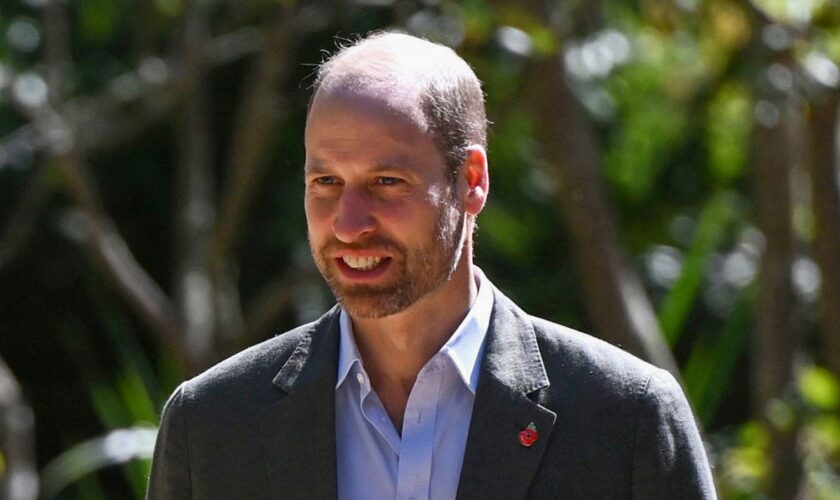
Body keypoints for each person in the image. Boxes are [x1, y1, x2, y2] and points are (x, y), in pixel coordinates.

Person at [147, 32, 716, 499]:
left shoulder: (626, 420)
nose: (348, 223)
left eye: (385, 182)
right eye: (326, 182)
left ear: (471, 181)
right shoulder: (212, 425)